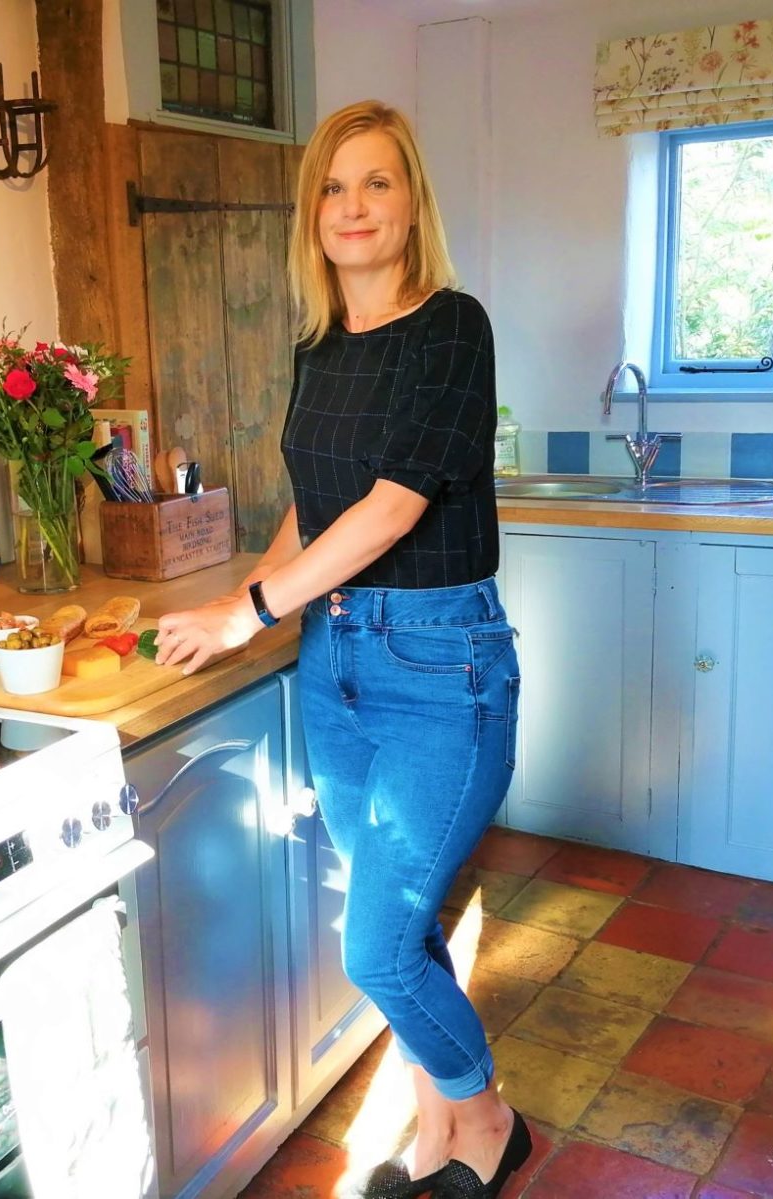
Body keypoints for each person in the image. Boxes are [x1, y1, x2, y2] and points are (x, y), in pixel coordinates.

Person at [151, 100, 529, 1199]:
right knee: (395, 925)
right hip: (336, 660)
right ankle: (432, 1132)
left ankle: (488, 1113)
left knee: (373, 946)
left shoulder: (453, 325)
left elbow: (396, 505)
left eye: (376, 183)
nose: (352, 206)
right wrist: (240, 601)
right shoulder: (321, 346)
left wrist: (248, 608)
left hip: (438, 666)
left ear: (412, 205)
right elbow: (317, 510)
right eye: (331, 185)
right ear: (310, 211)